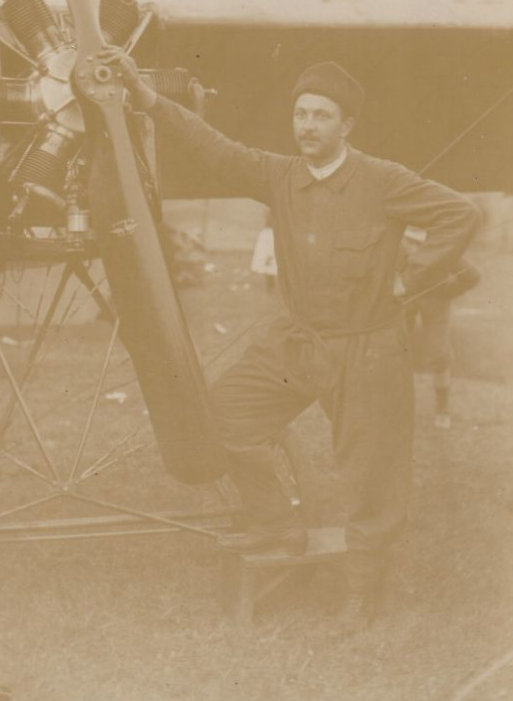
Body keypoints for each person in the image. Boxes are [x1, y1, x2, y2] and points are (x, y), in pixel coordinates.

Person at [106, 53, 481, 633]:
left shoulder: (382, 179)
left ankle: (361, 590)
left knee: (369, 474)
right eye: (301, 114)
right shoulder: (279, 175)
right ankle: (276, 521)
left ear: (346, 126)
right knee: (218, 415)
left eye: (322, 116)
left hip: (368, 348)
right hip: (300, 342)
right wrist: (149, 99)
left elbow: (461, 213)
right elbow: (213, 148)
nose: (307, 126)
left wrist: (412, 279)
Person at [400, 227, 481, 429]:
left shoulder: (443, 248)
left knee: (438, 353)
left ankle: (442, 407)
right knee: (395, 349)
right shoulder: (395, 245)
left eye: (419, 242)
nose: (414, 246)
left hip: (436, 302)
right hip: (403, 301)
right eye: (411, 241)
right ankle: (398, 406)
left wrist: (447, 291)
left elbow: (472, 276)